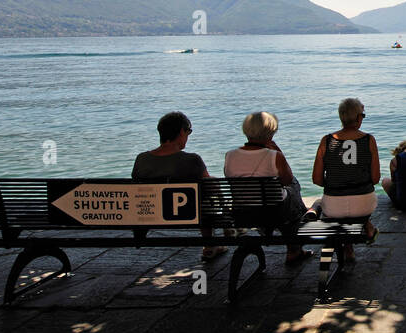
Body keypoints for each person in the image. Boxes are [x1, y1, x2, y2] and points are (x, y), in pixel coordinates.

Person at [131, 111, 223, 262]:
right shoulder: (192, 160)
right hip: (188, 215)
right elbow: (211, 188)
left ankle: (140, 235)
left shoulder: (142, 159)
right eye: (189, 132)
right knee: (207, 195)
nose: (188, 137)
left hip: (149, 214)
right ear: (182, 132)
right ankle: (208, 244)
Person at [224, 111, 311, 266]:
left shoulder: (230, 155)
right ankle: (294, 246)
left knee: (283, 195)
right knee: (294, 185)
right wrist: (278, 152)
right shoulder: (274, 156)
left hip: (243, 214)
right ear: (270, 133)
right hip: (275, 213)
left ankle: (289, 236)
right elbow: (287, 180)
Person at [307, 97, 380, 265]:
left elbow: (317, 179)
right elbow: (375, 179)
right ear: (357, 118)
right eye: (363, 115)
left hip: (334, 207)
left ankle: (348, 247)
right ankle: (366, 227)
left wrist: (337, 182)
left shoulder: (326, 141)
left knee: (323, 202)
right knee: (356, 201)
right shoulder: (369, 140)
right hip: (364, 205)